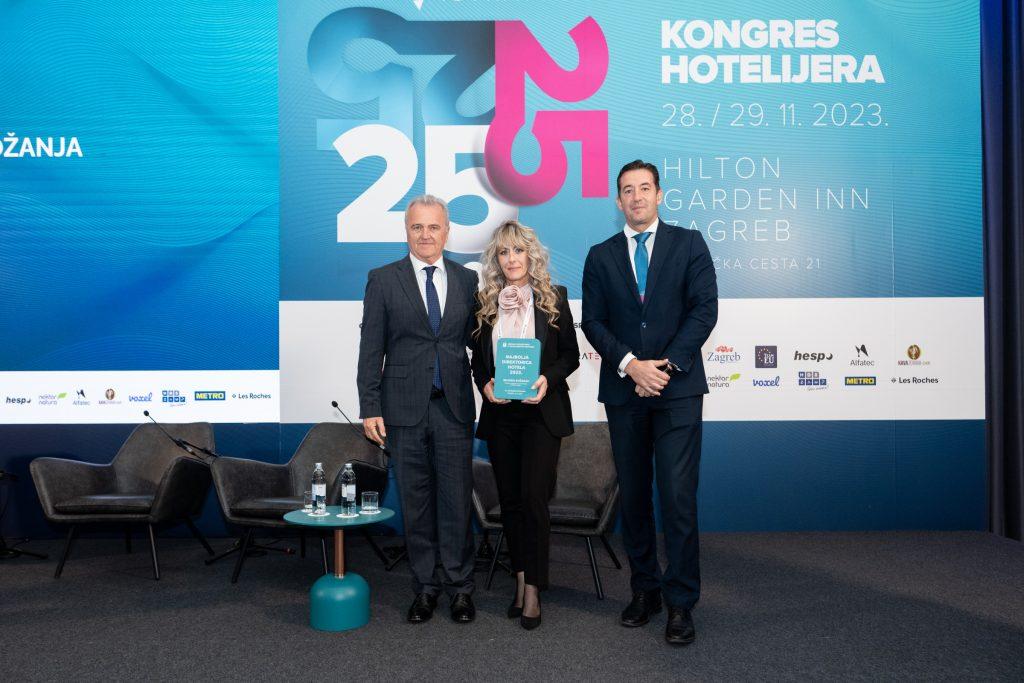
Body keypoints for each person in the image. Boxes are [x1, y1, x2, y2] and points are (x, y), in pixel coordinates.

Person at [581, 160, 718, 646]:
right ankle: (645, 590)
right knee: (635, 498)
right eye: (627, 190)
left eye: (644, 188)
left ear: (659, 194)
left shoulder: (689, 244)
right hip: (625, 392)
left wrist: (663, 368)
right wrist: (630, 365)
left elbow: (704, 309)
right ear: (618, 200)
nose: (636, 197)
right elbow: (592, 321)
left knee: (677, 498)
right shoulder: (600, 256)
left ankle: (681, 602)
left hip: (677, 391)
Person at [357, 195, 480, 624]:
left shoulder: (467, 279)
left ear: (447, 231)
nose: (425, 235)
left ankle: (460, 588)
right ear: (406, 230)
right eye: (417, 227)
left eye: (433, 227)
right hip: (402, 410)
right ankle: (425, 588)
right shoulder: (382, 279)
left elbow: (479, 343)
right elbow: (370, 348)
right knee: (417, 503)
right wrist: (370, 405)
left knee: (457, 502)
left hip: (454, 409)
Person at [470, 220, 580, 630]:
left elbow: (569, 356)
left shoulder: (555, 298)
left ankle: (533, 588)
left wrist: (547, 378)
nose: (512, 259)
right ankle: (518, 579)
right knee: (511, 502)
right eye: (504, 252)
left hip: (541, 414)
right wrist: (485, 384)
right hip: (501, 415)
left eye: (518, 250)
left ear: (531, 255)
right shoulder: (484, 302)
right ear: (496, 259)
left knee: (534, 500)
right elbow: (477, 360)